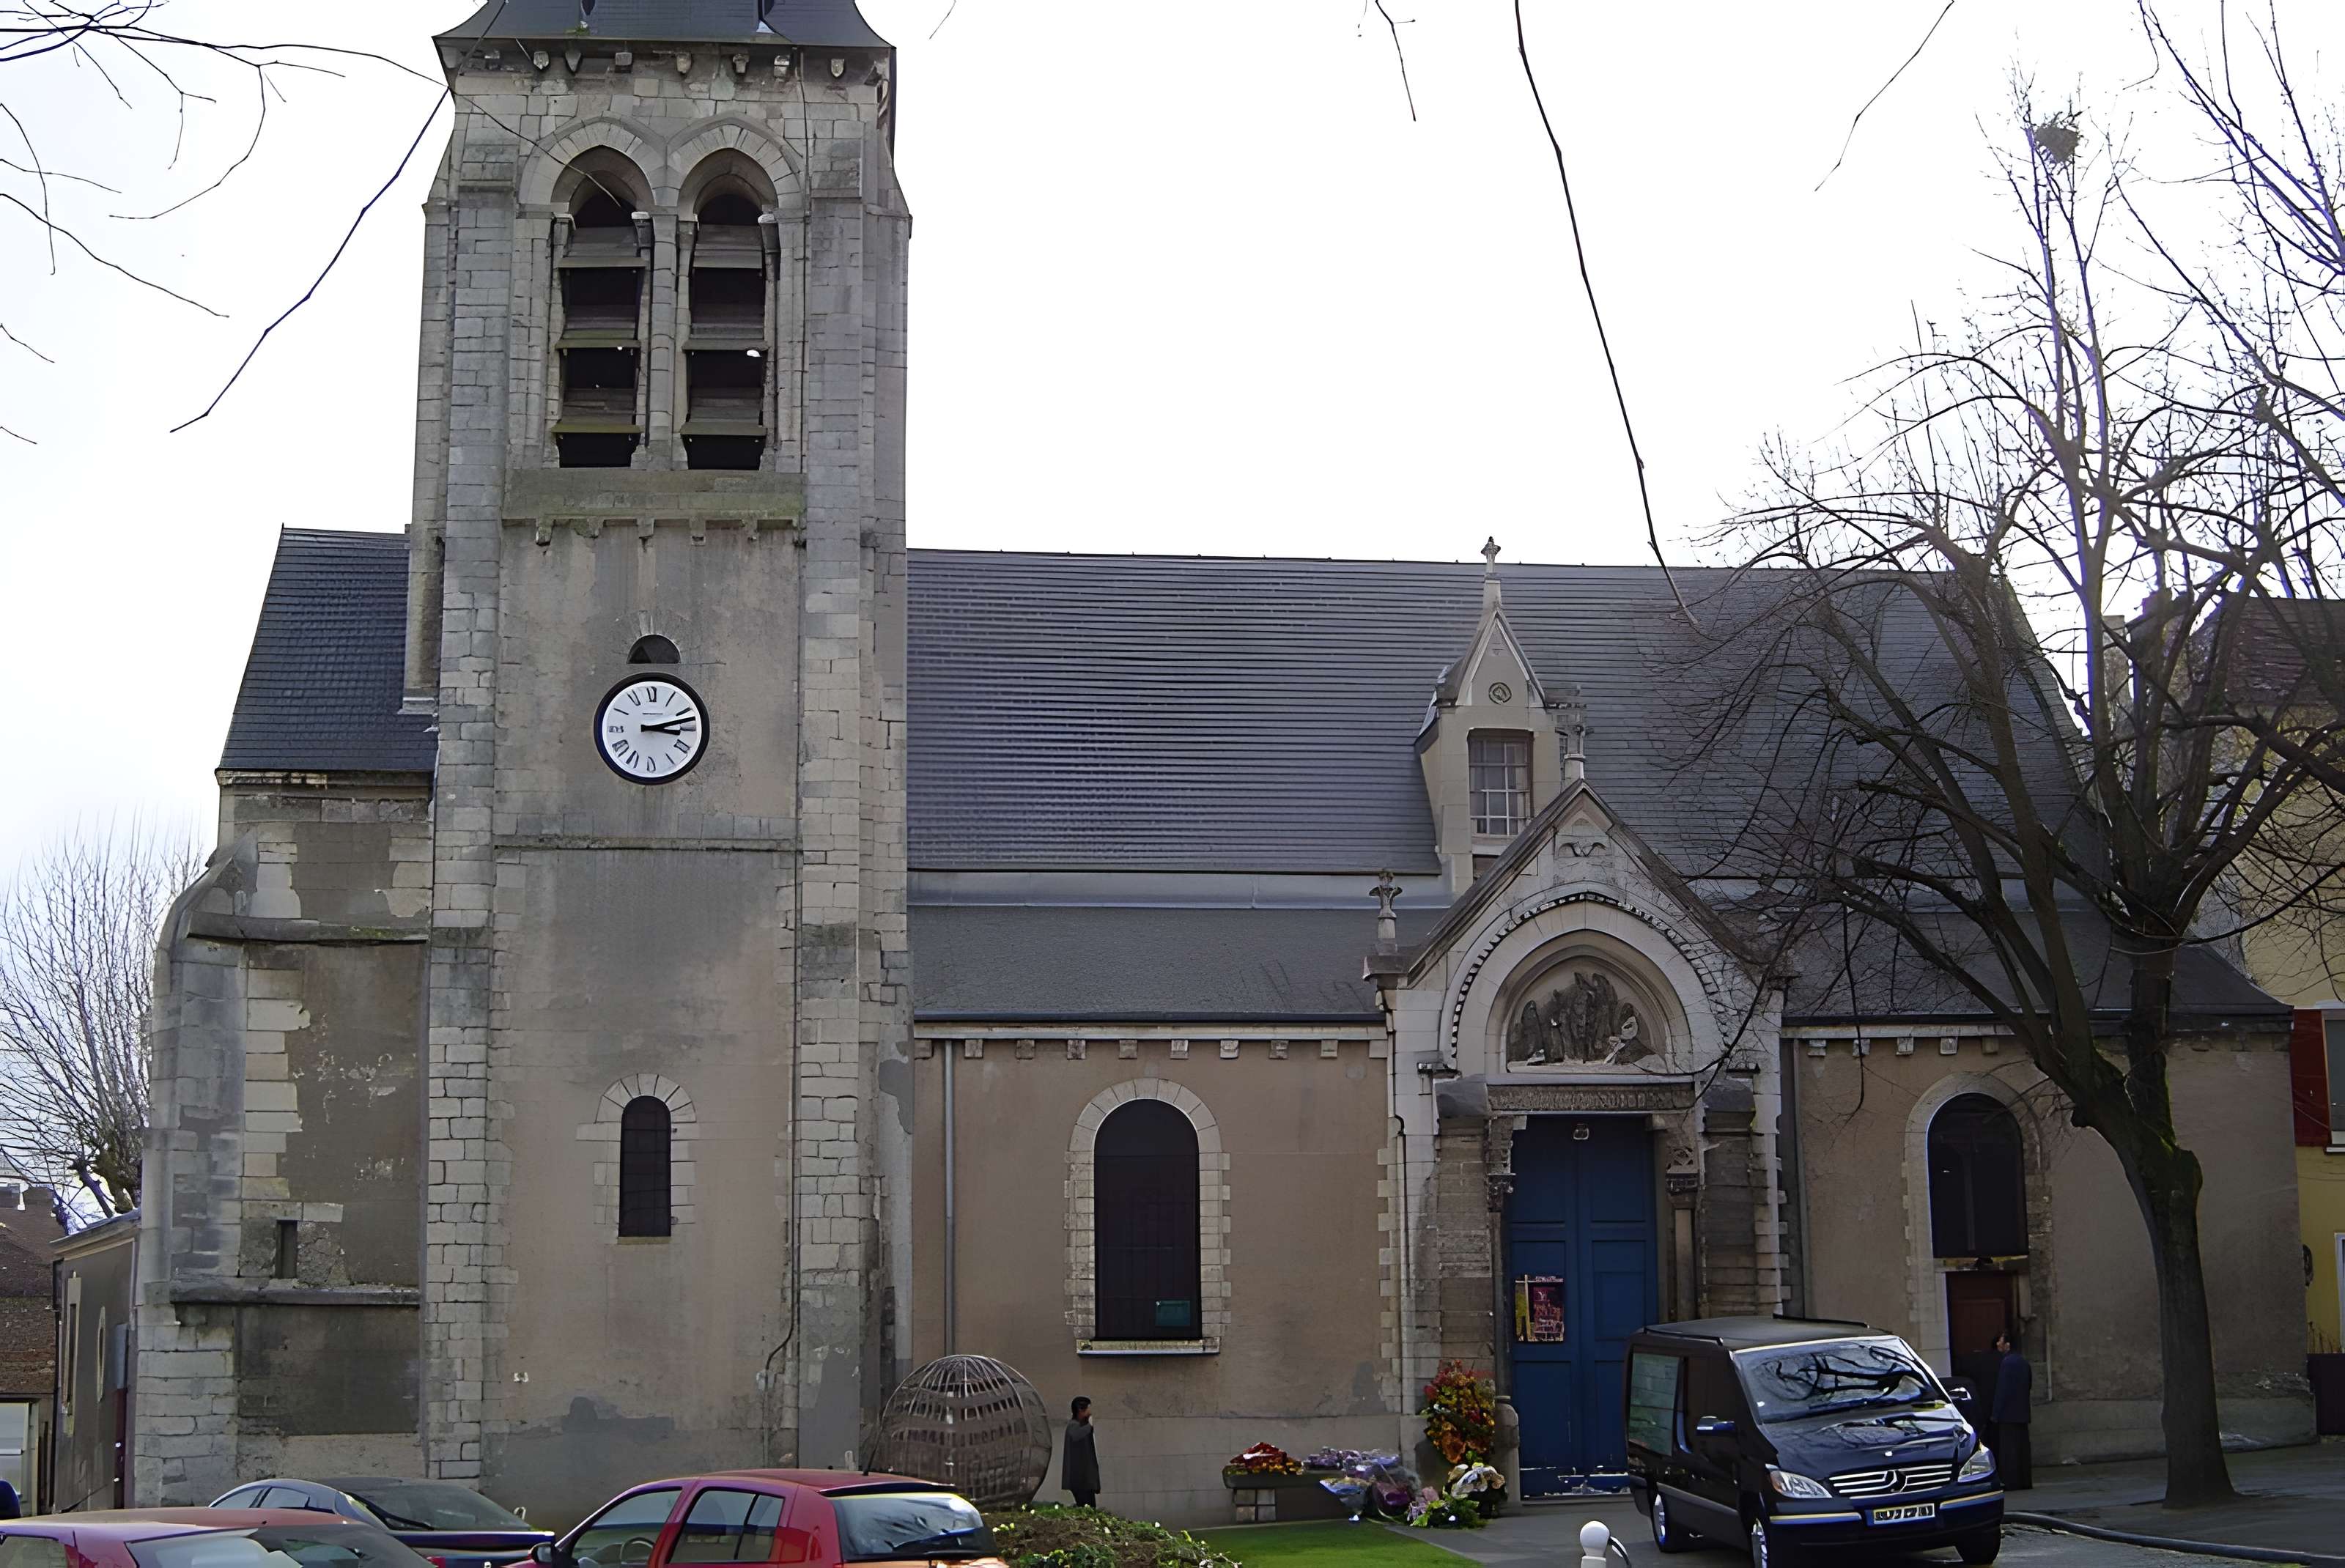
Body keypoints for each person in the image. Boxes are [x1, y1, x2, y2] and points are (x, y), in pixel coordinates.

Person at [1989, 1329, 2033, 1490]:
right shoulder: (2023, 1362)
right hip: (2022, 1412)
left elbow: (2002, 1390)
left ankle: (2011, 1481)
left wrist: (1995, 1413)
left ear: (2007, 1345)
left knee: (2009, 1451)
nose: (1998, 1344)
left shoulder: (2006, 1363)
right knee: (2022, 1448)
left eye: (2000, 1341)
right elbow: (2029, 1384)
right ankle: (2025, 1480)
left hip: (2008, 1414)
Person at [1063, 1395, 1101, 1510]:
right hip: (1081, 1481)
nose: (1091, 1412)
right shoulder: (1074, 1426)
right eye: (1089, 1408)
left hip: (1085, 1480)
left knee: (1090, 1509)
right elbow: (1078, 1435)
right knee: (1088, 1509)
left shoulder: (1080, 1426)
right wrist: (1090, 1425)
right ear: (1081, 1410)